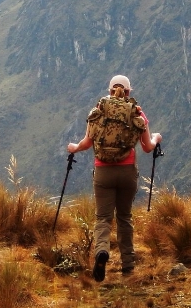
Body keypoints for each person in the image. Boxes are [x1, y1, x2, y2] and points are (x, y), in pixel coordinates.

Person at [67, 74, 162, 281]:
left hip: (103, 173)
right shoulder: (137, 112)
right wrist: (156, 138)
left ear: (110, 90)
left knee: (103, 218)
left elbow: (86, 143)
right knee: (124, 217)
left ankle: (102, 251)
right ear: (129, 91)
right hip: (127, 173)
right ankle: (128, 265)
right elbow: (147, 148)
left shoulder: (99, 112)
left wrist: (73, 148)